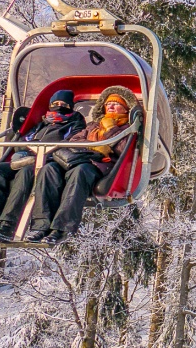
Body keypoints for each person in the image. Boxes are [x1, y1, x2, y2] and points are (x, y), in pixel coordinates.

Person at [26, 86, 139, 245]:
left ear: (126, 108)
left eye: (116, 104)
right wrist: (95, 146)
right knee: (49, 169)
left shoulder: (127, 128)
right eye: (108, 104)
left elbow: (123, 149)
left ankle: (61, 228)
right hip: (79, 159)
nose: (111, 106)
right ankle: (41, 226)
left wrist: (110, 130)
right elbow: (74, 141)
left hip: (101, 166)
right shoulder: (93, 125)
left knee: (80, 172)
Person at [0, 89, 86, 242]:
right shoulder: (41, 125)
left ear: (70, 107)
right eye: (55, 104)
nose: (59, 107)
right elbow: (23, 142)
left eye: (63, 104)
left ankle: (8, 225)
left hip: (48, 161)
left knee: (26, 172)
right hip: (27, 158)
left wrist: (45, 151)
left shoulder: (74, 125)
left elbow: (72, 145)